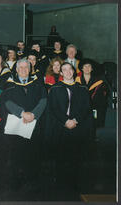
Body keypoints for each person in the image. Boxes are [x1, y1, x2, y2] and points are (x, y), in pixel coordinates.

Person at [45, 62, 92, 193]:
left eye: (69, 69)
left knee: (76, 157)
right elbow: (53, 108)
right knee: (61, 157)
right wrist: (65, 121)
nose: (67, 72)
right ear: (60, 73)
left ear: (74, 71)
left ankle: (74, 184)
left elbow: (86, 108)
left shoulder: (82, 88)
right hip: (61, 127)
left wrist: (75, 120)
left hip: (78, 127)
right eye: (64, 70)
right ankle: (60, 184)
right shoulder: (55, 89)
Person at [3, 59, 47, 190]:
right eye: (20, 67)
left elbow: (44, 100)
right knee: (15, 154)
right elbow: (6, 102)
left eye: (26, 67)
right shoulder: (9, 84)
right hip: (16, 125)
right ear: (16, 70)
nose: (23, 70)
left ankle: (32, 182)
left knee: (33, 154)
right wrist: (22, 113)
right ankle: (15, 181)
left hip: (34, 124)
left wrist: (33, 115)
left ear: (30, 69)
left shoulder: (38, 84)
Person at [76, 58, 109, 128]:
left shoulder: (99, 82)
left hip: (94, 107)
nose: (87, 68)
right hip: (79, 107)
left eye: (89, 66)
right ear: (82, 68)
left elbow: (101, 98)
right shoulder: (76, 81)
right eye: (85, 66)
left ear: (92, 69)